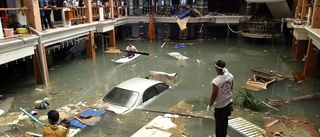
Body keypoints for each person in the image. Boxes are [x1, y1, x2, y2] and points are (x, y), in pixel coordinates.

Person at [208, 60, 233, 137]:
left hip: (220, 106)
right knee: (224, 122)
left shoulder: (216, 81)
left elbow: (214, 95)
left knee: (219, 124)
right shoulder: (230, 76)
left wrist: (210, 105)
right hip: (228, 103)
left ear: (216, 68)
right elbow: (231, 88)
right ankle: (224, 135)